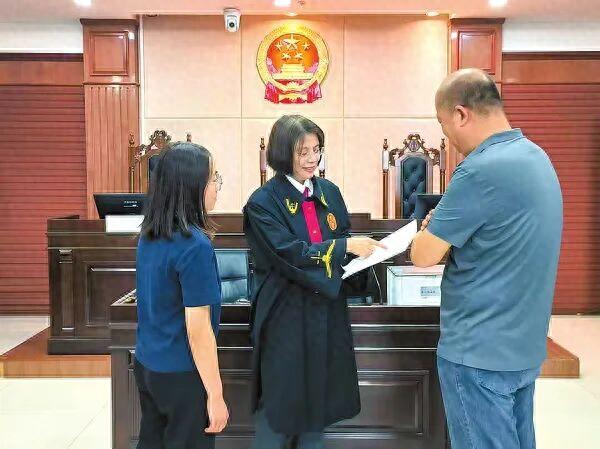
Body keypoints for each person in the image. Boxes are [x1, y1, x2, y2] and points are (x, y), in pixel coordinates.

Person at [411, 68, 563, 449]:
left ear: (461, 114)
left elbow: (423, 254)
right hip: (523, 346)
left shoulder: (479, 169)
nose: (448, 137)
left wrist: (435, 231)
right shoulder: (537, 157)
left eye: (444, 125)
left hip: (478, 353)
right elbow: (500, 238)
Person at [243, 115, 384, 449]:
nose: (311, 159)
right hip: (285, 315)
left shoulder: (329, 192)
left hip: (325, 312)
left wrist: (365, 255)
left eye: (316, 150)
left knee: (319, 401)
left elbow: (343, 239)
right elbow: (289, 253)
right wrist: (345, 247)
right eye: (302, 151)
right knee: (279, 404)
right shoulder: (263, 202)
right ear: (282, 153)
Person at [134, 142, 229, 449]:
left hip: (148, 364)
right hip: (182, 374)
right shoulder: (195, 245)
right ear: (192, 186)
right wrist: (215, 395)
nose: (217, 186)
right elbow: (198, 329)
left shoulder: (149, 234)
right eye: (213, 178)